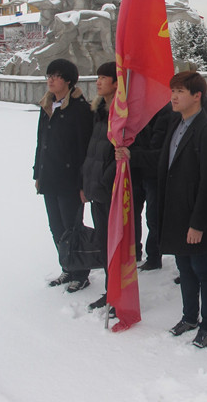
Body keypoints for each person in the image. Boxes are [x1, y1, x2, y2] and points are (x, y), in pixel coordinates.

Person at [156, 72, 207, 348]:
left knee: (204, 272)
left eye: (180, 92)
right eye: (172, 91)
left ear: (197, 96)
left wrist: (198, 223)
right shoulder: (177, 123)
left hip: (197, 217)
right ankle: (189, 317)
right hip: (176, 213)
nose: (174, 97)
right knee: (184, 268)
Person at [33, 58, 93, 292]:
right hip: (50, 177)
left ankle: (81, 273)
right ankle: (67, 266)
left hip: (70, 181)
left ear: (68, 80)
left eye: (56, 76)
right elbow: (41, 142)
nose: (51, 80)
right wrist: (38, 173)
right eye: (49, 75)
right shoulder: (47, 105)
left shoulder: (80, 109)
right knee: (56, 227)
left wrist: (83, 184)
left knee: (72, 228)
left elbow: (83, 149)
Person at [81, 62, 118, 313]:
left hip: (112, 190)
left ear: (116, 83)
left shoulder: (121, 113)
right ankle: (110, 290)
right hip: (97, 189)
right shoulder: (99, 111)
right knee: (104, 243)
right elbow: (93, 151)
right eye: (98, 77)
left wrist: (105, 179)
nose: (98, 82)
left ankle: (118, 293)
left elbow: (120, 153)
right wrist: (87, 182)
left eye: (104, 77)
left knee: (115, 245)